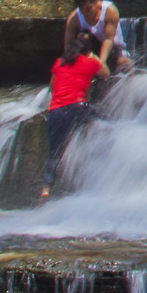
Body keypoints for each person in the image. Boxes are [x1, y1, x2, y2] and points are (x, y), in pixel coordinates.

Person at [41, 23, 105, 201]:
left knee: (54, 153)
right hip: (78, 108)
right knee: (104, 122)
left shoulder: (60, 62)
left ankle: (46, 188)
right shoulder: (90, 62)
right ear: (87, 51)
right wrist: (95, 58)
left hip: (56, 110)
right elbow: (105, 73)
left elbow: (52, 87)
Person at [69, 0, 131, 73]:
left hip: (113, 48)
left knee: (125, 63)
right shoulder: (73, 19)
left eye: (89, 9)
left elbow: (108, 39)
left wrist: (101, 63)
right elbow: (68, 46)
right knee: (82, 36)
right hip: (91, 49)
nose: (86, 14)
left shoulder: (110, 11)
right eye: (82, 11)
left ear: (95, 1)